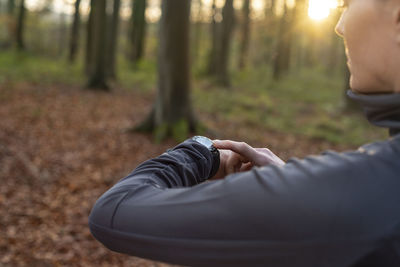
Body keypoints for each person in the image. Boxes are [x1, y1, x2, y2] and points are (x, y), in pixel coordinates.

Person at [88, 0, 400, 266]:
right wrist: (292, 180)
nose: (339, 25)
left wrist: (199, 152)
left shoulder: (371, 188)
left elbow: (114, 212)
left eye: (347, 4)